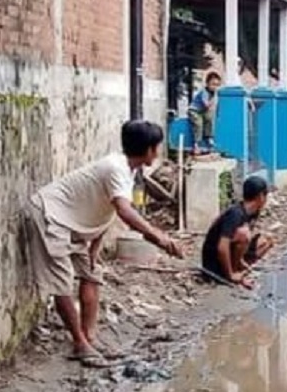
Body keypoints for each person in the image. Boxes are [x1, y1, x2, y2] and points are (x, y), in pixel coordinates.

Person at [23, 120, 184, 368]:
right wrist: (159, 238)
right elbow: (124, 211)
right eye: (158, 147)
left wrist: (95, 246)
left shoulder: (128, 170)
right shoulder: (116, 168)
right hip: (50, 215)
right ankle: (80, 344)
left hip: (75, 224)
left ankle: (90, 337)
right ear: (149, 149)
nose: (159, 152)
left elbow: (106, 209)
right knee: (62, 282)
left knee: (92, 273)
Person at [201, 175, 276, 290]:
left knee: (267, 241)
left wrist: (241, 260)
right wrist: (230, 274)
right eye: (266, 195)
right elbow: (222, 247)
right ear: (261, 196)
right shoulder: (235, 213)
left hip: (230, 252)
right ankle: (231, 273)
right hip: (213, 262)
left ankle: (240, 270)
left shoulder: (253, 212)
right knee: (244, 234)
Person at [188, 71, 221, 154]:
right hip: (194, 110)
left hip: (203, 111)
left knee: (210, 119)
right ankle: (196, 144)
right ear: (207, 83)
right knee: (198, 124)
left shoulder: (214, 93)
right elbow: (205, 103)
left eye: (217, 85)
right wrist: (211, 104)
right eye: (213, 84)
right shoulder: (204, 92)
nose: (215, 87)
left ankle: (209, 137)